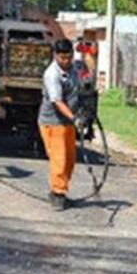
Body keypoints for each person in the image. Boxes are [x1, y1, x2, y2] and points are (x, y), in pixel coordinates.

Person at [39, 38, 79, 211]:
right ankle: (57, 194)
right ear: (55, 55)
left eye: (69, 57)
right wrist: (74, 118)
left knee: (70, 160)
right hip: (53, 122)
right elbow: (57, 102)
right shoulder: (52, 74)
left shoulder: (73, 69)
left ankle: (60, 190)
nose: (66, 61)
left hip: (68, 122)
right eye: (62, 58)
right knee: (59, 159)